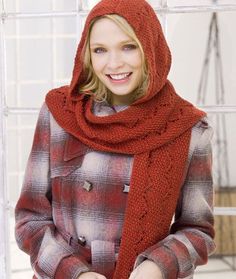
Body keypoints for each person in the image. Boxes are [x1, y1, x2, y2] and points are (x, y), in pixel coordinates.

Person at [15, 0, 216, 278]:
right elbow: (30, 220)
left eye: (128, 46)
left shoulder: (189, 128)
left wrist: (156, 267)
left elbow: (198, 231)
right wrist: (76, 274)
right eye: (100, 50)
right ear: (87, 54)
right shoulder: (59, 114)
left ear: (150, 46)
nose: (114, 63)